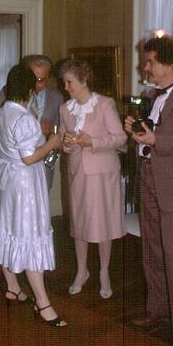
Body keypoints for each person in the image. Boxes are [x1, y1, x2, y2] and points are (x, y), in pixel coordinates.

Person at [0, 64, 66, 327]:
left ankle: (13, 286)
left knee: (7, 231)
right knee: (29, 236)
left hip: (5, 179)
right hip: (26, 184)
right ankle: (43, 304)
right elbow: (29, 158)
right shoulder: (24, 119)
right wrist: (52, 141)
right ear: (29, 90)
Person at [124, 36, 173, 346]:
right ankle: (157, 310)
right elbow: (148, 138)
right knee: (151, 248)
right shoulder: (149, 95)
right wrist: (136, 133)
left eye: (151, 61)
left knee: (172, 253)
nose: (146, 67)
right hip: (148, 178)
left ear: (169, 64)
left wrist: (157, 138)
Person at [59, 59, 126, 299]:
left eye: (70, 82)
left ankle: (104, 272)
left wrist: (92, 142)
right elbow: (63, 142)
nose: (66, 87)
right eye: (65, 82)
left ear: (84, 80)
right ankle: (81, 270)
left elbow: (120, 138)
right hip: (78, 173)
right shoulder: (65, 109)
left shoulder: (105, 104)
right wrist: (68, 145)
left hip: (103, 173)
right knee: (80, 224)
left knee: (102, 224)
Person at [0, 55, 64, 189]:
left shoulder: (56, 98)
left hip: (42, 166)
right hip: (14, 167)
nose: (36, 84)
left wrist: (51, 131)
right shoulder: (9, 91)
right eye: (32, 78)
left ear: (49, 78)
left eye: (40, 80)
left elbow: (61, 132)